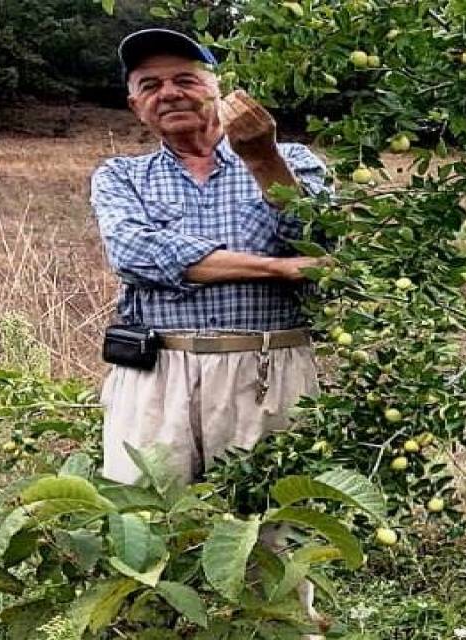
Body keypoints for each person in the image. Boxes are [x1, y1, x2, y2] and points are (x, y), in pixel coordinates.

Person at [90, 28, 329, 635]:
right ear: (134, 104)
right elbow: (138, 254)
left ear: (219, 90)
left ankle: (279, 629)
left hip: (268, 366)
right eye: (150, 85)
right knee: (141, 520)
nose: (168, 93)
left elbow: (323, 247)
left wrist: (261, 158)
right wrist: (274, 268)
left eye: (185, 79)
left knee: (274, 526)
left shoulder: (293, 162)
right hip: (156, 370)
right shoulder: (121, 177)